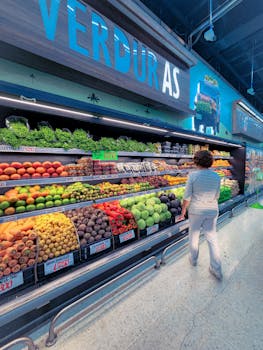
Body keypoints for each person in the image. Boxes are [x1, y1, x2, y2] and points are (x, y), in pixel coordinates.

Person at [179, 150, 223, 280]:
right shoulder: (217, 176)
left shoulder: (193, 176)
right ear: (211, 162)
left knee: (194, 235)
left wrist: (183, 212)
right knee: (212, 238)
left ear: (196, 161)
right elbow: (217, 196)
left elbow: (187, 197)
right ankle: (217, 269)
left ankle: (193, 259)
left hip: (196, 211)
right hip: (212, 210)